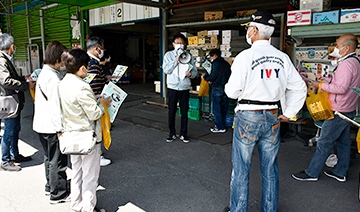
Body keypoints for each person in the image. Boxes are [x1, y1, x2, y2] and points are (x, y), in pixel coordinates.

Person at [224, 11, 307, 212]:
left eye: (248, 28)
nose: (247, 31)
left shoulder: (245, 56)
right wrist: (289, 112)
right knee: (270, 169)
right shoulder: (282, 57)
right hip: (272, 115)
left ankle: (238, 210)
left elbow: (232, 92)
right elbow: (299, 87)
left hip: (248, 116)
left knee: (241, 169)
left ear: (254, 30)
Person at [292, 34, 360, 183]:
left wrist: (320, 85)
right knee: (343, 143)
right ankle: (340, 172)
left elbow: (341, 88)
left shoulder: (346, 64)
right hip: (348, 109)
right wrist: (327, 79)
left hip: (338, 111)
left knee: (324, 143)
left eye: (337, 45)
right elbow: (345, 83)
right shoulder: (355, 61)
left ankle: (312, 173)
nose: (335, 48)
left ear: (346, 48)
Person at [58, 49, 111, 212]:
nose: (87, 70)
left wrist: (93, 100)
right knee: (90, 175)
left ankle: (76, 204)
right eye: (87, 67)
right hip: (88, 137)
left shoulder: (62, 83)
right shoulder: (82, 86)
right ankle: (88, 207)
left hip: (71, 135)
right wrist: (103, 105)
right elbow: (94, 113)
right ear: (81, 68)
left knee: (77, 173)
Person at [32, 41, 70, 203]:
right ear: (57, 59)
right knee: (57, 160)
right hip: (51, 125)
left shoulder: (44, 73)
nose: (63, 64)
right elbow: (56, 107)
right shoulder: (53, 79)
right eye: (63, 60)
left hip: (41, 124)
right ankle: (59, 193)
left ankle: (50, 185)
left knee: (48, 157)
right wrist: (60, 130)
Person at [0, 33, 35, 171]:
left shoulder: (6, 59)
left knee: (15, 129)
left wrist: (22, 78)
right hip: (9, 101)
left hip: (14, 101)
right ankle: (5, 160)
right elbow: (6, 81)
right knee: (9, 131)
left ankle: (15, 155)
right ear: (11, 46)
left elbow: (11, 77)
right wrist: (26, 85)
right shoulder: (1, 61)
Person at [163, 33, 197, 143]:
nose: (179, 45)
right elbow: (166, 70)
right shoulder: (168, 55)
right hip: (172, 88)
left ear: (185, 44)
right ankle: (171, 133)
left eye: (182, 43)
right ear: (173, 44)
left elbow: (195, 72)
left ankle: (184, 134)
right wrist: (176, 60)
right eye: (177, 43)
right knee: (171, 112)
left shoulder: (189, 56)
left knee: (184, 112)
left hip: (184, 88)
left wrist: (190, 74)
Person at [86, 36, 112, 166]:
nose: (102, 51)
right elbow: (95, 85)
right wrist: (100, 99)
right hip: (94, 102)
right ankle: (96, 156)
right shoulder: (92, 64)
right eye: (102, 48)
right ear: (97, 49)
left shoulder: (91, 62)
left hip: (92, 100)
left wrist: (106, 78)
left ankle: (97, 153)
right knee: (96, 128)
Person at [202, 49, 231, 133]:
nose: (211, 58)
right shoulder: (226, 64)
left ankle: (219, 127)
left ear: (214, 56)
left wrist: (205, 77)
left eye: (211, 57)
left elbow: (212, 77)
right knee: (224, 107)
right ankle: (223, 124)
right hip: (226, 87)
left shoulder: (215, 63)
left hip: (217, 87)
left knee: (216, 108)